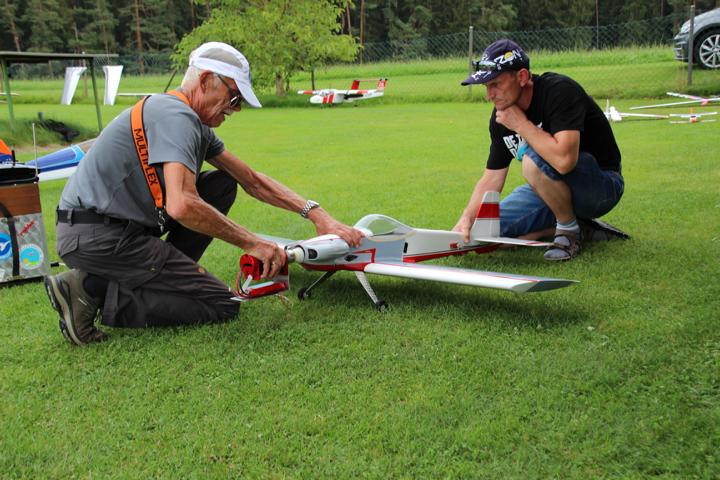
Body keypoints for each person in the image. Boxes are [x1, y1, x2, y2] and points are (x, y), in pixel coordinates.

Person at [44, 42, 363, 346]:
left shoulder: (187, 120)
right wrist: (253, 243)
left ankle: (161, 274)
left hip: (108, 229)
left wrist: (316, 214)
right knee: (222, 304)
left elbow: (251, 180)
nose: (236, 109)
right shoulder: (177, 117)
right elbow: (181, 204)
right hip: (100, 236)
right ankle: (90, 288)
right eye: (234, 97)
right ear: (207, 80)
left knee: (221, 184)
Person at [453, 39, 624, 261]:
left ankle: (568, 232)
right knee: (485, 232)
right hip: (548, 192)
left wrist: (522, 125)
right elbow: (492, 177)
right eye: (486, 86)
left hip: (601, 186)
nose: (489, 95)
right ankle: (576, 228)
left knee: (532, 159)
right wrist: (467, 217)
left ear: (522, 77)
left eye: (495, 84)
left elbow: (565, 161)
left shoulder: (559, 91)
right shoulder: (501, 117)